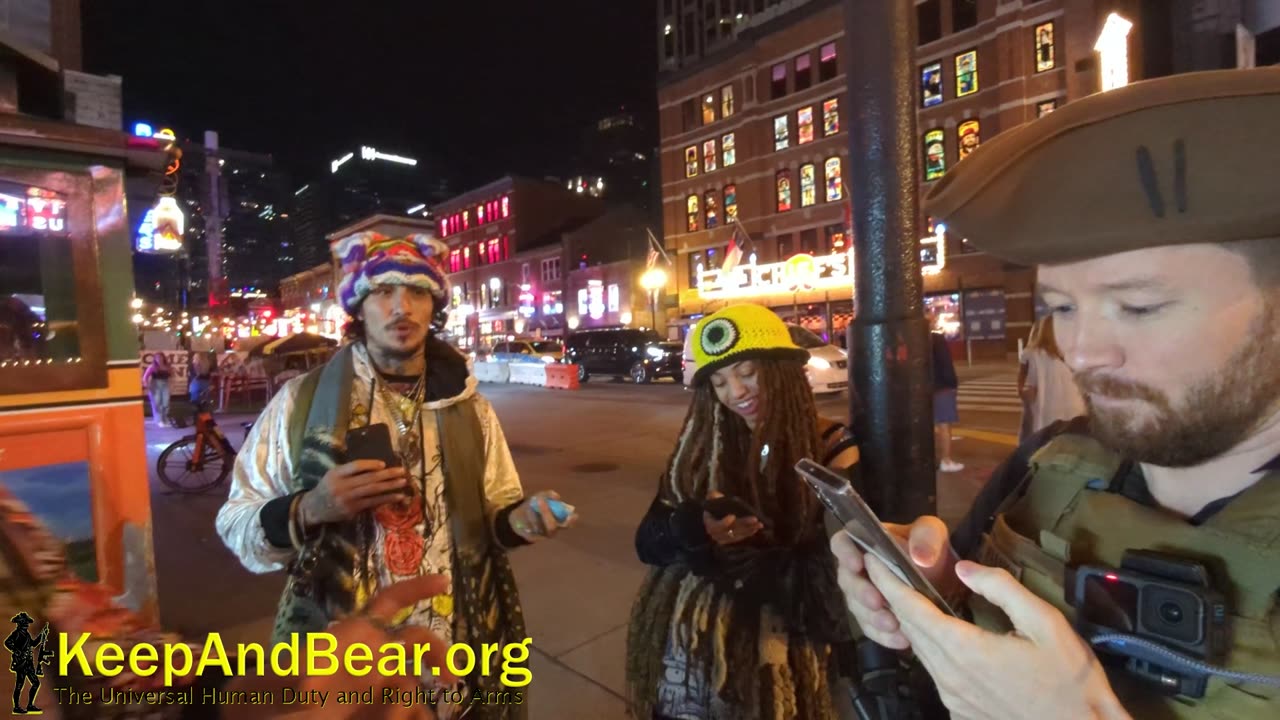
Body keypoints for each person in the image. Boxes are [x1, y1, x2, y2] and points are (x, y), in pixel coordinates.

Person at [831, 67, 1280, 718]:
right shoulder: (1050, 462)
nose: (1084, 353)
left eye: (1140, 306)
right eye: (1062, 309)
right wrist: (932, 596)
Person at [216, 231, 574, 720]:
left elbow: (494, 518)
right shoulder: (299, 402)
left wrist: (524, 521)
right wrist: (311, 508)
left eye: (417, 292)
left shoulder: (469, 407)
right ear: (358, 308)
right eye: (383, 292)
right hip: (346, 673)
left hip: (455, 662)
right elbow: (236, 522)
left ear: (435, 305)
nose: (400, 307)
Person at [626, 303, 861, 720]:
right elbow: (648, 543)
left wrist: (753, 562)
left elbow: (840, 589)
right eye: (719, 382)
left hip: (784, 669)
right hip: (690, 665)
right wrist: (691, 528)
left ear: (781, 369)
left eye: (748, 372)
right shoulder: (698, 450)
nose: (737, 392)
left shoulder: (832, 449)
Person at [1017, 315, 1085, 442]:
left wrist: (1022, 391)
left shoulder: (1032, 353)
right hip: (1075, 407)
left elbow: (1023, 378)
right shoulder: (1073, 352)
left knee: (1045, 444)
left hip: (1047, 409)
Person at [930, 330, 963, 472]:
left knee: (932, 425)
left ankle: (936, 458)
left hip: (926, 388)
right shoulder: (936, 339)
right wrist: (952, 384)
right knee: (945, 425)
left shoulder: (914, 338)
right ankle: (946, 460)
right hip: (943, 387)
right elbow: (946, 363)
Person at [4, 612, 46, 714]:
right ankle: (16, 706)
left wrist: (41, 636)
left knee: (35, 683)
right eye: (25, 622)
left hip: (28, 663)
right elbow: (7, 642)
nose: (27, 624)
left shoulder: (26, 634)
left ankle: (30, 705)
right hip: (21, 663)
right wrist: (16, 651)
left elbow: (33, 644)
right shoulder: (16, 633)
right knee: (19, 685)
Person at [142, 352, 173, 427]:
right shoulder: (152, 367)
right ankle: (159, 420)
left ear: (163, 358)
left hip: (165, 385)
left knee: (166, 402)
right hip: (155, 385)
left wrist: (172, 385)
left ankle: (165, 418)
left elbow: (172, 376)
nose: (159, 359)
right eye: (157, 358)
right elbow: (145, 377)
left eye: (160, 357)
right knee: (157, 403)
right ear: (155, 359)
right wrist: (146, 384)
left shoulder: (167, 366)